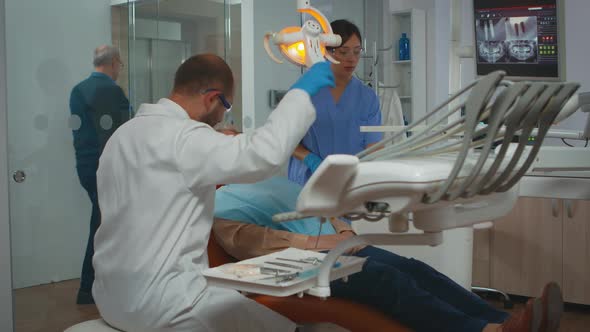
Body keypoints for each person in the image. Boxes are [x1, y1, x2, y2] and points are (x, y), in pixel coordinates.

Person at [92, 54, 335, 332]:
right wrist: (300, 94)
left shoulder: (122, 136)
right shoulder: (185, 137)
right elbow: (263, 155)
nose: (222, 119)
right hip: (165, 303)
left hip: (111, 297)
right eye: (225, 107)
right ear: (212, 98)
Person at [213, 176, 564, 332]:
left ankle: (503, 322)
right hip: (300, 270)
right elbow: (248, 242)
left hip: (340, 247)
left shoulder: (271, 181)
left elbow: (322, 207)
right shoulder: (220, 202)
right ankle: (483, 331)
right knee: (386, 279)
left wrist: (344, 231)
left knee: (416, 270)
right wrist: (313, 244)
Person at [69, 44, 131, 305]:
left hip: (86, 166)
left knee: (102, 224)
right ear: (114, 62)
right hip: (105, 169)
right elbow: (120, 134)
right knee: (104, 228)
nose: (120, 70)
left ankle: (94, 287)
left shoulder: (78, 89)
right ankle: (89, 289)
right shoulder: (109, 90)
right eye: (121, 65)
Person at [289, 19, 382, 186]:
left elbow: (374, 147)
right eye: (343, 52)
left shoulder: (368, 98)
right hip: (308, 180)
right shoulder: (305, 91)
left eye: (356, 51)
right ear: (326, 51)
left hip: (350, 182)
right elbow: (286, 141)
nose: (352, 59)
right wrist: (311, 160)